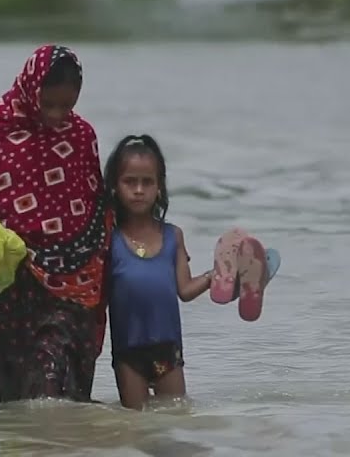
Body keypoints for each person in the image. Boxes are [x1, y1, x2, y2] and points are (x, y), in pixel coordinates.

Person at [0, 44, 111, 403]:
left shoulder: (82, 135)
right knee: (18, 394)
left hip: (72, 281)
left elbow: (96, 205)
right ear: (31, 89)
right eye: (49, 105)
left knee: (52, 377)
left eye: (66, 106)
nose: (57, 115)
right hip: (13, 286)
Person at [103, 134, 278, 409]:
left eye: (147, 182)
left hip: (167, 350)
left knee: (176, 417)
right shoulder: (109, 240)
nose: (139, 190)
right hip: (128, 352)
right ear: (115, 186)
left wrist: (214, 277)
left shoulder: (173, 236)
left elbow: (184, 291)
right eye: (130, 182)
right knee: (134, 426)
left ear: (159, 187)